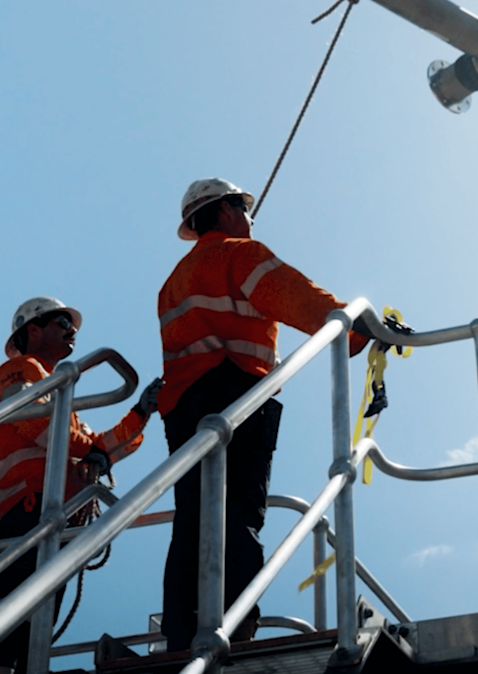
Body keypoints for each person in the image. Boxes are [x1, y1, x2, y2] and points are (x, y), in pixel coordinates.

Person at [155, 178, 367, 652]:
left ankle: (180, 633)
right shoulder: (240, 254)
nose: (250, 219)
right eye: (245, 209)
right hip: (235, 394)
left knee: (193, 516)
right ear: (226, 211)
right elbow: (296, 296)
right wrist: (354, 329)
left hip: (183, 406)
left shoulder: (173, 282)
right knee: (238, 513)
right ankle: (234, 625)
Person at [0, 296, 155, 674]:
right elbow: (34, 422)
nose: (71, 329)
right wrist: (92, 451)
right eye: (62, 321)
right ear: (33, 329)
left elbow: (97, 448)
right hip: (26, 506)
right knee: (16, 605)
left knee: (37, 611)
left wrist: (140, 413)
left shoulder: (61, 399)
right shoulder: (20, 370)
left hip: (54, 515)